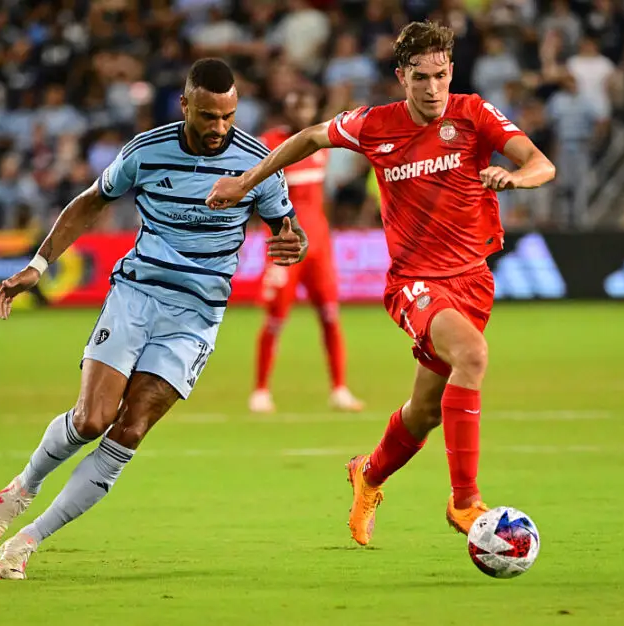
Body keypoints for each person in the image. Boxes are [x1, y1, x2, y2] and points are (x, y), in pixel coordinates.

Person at [207, 21, 555, 545]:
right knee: (473, 355)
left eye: (441, 75)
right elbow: (309, 137)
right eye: (421, 78)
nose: (433, 88)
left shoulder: (474, 113)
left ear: (451, 71)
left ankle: (367, 475)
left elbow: (541, 164)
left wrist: (515, 178)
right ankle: (465, 502)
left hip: (473, 282)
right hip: (415, 284)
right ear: (401, 77)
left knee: (424, 413)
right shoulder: (374, 124)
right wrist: (245, 181)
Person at [0, 58, 307, 578]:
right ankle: (24, 486)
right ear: (185, 105)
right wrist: (38, 265)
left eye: (228, 116)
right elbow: (91, 202)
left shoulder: (257, 163)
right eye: (208, 116)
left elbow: (287, 226)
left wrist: (293, 242)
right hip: (136, 295)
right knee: (91, 419)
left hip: (197, 314)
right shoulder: (145, 151)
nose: (219, 127)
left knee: (129, 430)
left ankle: (27, 541)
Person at [250, 91, 364, 413]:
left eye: (307, 105)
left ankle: (339, 389)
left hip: (319, 246)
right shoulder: (270, 143)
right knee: (275, 318)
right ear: (285, 108)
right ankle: (260, 390)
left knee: (330, 315)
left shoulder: (320, 142)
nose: (302, 111)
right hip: (285, 246)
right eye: (296, 105)